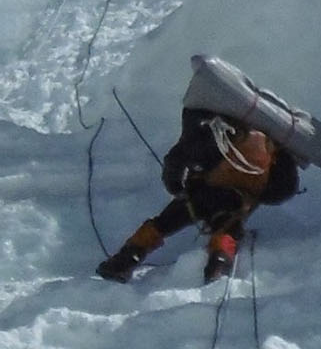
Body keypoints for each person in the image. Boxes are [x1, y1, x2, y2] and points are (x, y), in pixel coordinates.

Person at [95, 106, 300, 283]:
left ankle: (125, 259)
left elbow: (174, 165)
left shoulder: (204, 133)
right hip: (238, 196)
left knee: (164, 222)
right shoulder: (269, 144)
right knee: (228, 227)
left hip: (201, 193)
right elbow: (283, 187)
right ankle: (218, 264)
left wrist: (178, 188)